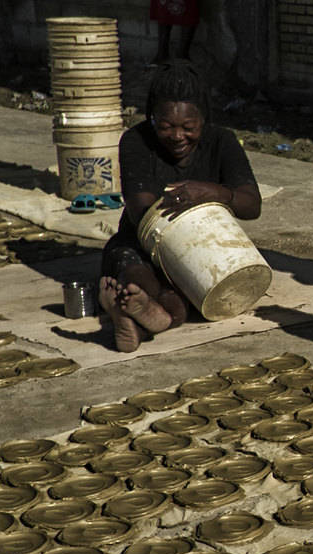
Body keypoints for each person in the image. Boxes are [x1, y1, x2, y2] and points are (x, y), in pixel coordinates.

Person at [99, 61, 259, 352]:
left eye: (189, 127)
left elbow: (251, 204)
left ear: (203, 120)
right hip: (142, 244)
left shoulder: (221, 141)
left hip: (205, 247)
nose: (176, 136)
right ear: (152, 119)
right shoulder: (135, 141)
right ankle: (143, 310)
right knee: (138, 274)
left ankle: (144, 318)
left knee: (190, 287)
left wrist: (213, 191)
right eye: (165, 127)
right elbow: (141, 211)